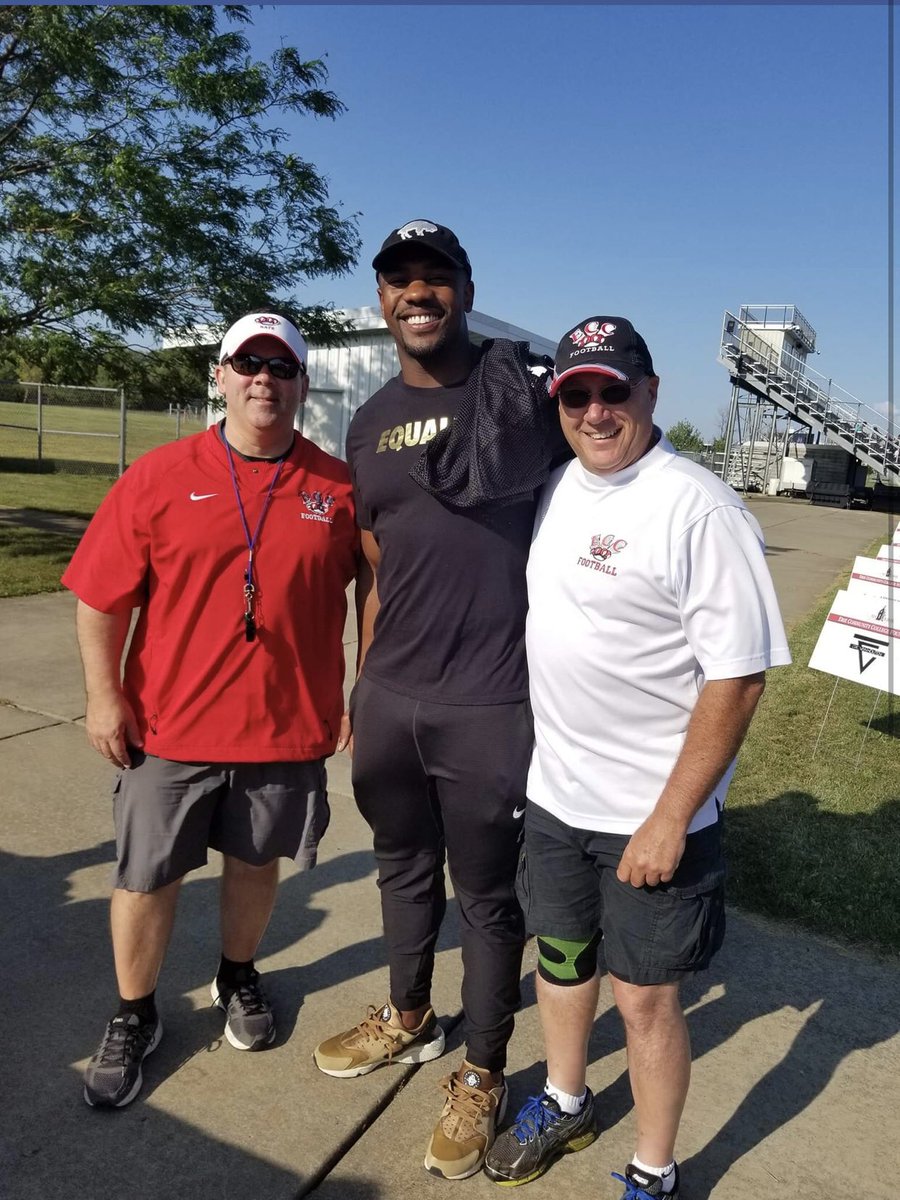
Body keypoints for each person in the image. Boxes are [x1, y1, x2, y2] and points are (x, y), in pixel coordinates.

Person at [484, 316, 791, 1197]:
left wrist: (668, 819)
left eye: (612, 390)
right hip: (557, 800)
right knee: (562, 960)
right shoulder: (556, 491)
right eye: (576, 394)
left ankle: (654, 1170)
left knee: (646, 1000)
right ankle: (567, 1097)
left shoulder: (698, 506)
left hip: (651, 820)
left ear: (650, 392)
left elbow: (736, 679)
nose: (595, 410)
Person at [62, 312, 358, 1109]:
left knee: (255, 864)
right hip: (169, 728)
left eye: (281, 366)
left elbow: (387, 591)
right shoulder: (159, 476)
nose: (265, 378)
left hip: (284, 727)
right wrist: (103, 696)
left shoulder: (336, 486)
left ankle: (239, 975)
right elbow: (99, 599)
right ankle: (134, 1014)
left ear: (301, 383)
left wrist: (359, 690)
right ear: (220, 376)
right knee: (146, 876)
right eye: (247, 363)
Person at [313, 220, 543, 1181]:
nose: (418, 294)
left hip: (493, 698)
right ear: (381, 301)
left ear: (463, 287)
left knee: (488, 898)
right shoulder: (366, 424)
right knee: (401, 866)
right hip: (395, 695)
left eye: (435, 278)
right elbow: (373, 561)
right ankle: (408, 1015)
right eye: (400, 281)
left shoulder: (523, 402)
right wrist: (365, 685)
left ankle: (483, 1072)